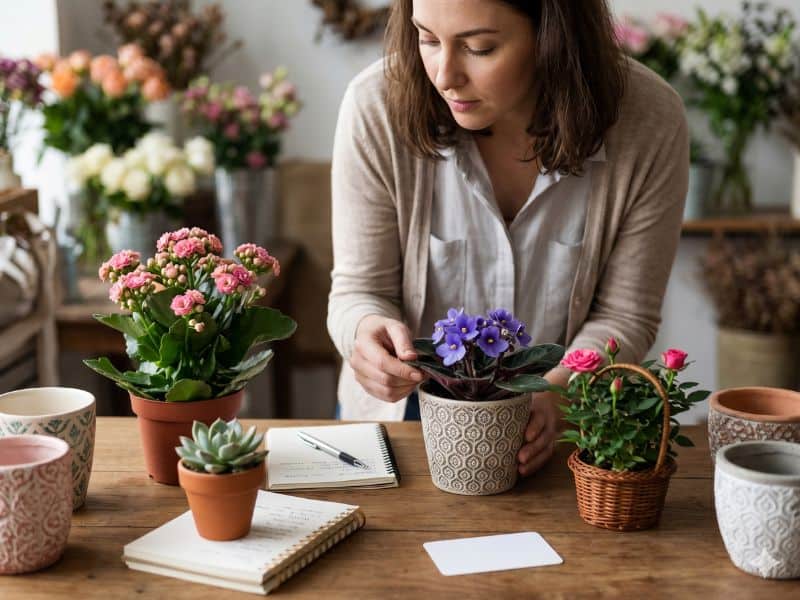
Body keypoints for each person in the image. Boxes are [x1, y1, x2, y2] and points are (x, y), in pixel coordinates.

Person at [327, 0, 689, 476]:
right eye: (428, 39)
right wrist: (364, 333)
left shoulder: (649, 121)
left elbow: (626, 314)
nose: (443, 75)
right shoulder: (376, 106)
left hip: (556, 434)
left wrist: (557, 395)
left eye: (479, 47)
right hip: (402, 427)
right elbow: (358, 289)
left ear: (553, 38)